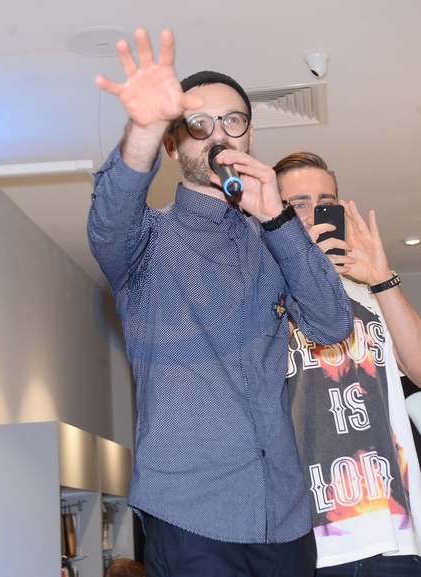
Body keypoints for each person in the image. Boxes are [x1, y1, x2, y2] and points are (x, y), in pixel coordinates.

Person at [87, 28, 353, 577]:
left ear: (249, 135)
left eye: (232, 120)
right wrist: (143, 129)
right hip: (191, 516)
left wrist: (277, 216)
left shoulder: (273, 237)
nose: (217, 134)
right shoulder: (146, 242)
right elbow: (109, 218)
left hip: (285, 516)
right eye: (198, 124)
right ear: (173, 144)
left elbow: (331, 324)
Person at [273, 151, 421, 575]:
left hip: (394, 531)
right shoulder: (261, 294)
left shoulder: (368, 292)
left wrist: (383, 279)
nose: (314, 215)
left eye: (325, 202)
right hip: (305, 539)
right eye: (298, 204)